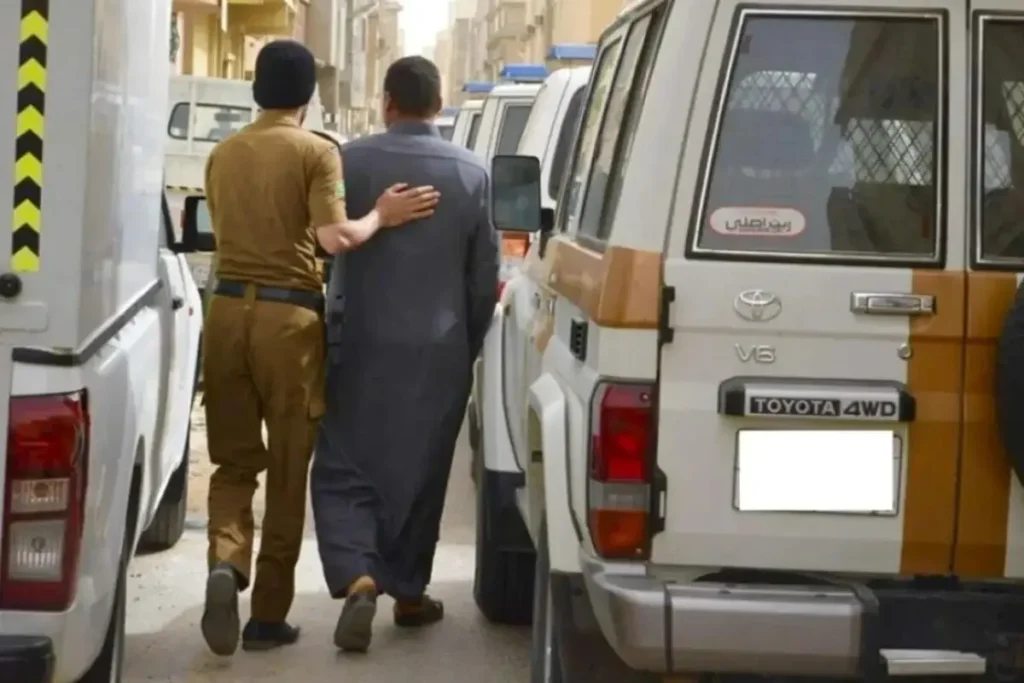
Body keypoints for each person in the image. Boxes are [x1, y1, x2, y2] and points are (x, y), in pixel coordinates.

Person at [200, 39, 440, 657]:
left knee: (232, 463)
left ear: (256, 90)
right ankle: (265, 619)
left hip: (224, 314)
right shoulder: (315, 151)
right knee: (287, 469)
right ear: (308, 96)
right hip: (288, 323)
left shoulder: (223, 153)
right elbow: (335, 239)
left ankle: (226, 563)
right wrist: (382, 215)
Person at [310, 55, 499, 652]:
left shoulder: (349, 161)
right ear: (438, 106)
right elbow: (484, 277)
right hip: (439, 349)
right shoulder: (473, 172)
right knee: (423, 470)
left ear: (387, 102)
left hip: (359, 340)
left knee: (344, 462)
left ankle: (358, 576)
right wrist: (466, 344)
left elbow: (319, 245)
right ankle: (410, 594)